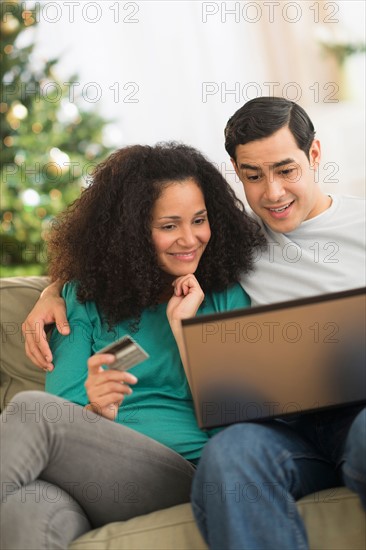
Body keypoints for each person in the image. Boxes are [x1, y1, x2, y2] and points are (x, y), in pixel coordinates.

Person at [20, 98, 366, 548]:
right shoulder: (236, 241)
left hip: (357, 412)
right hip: (282, 431)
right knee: (231, 454)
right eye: (253, 176)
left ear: (314, 155)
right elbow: (125, 245)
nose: (273, 194)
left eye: (287, 171)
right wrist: (51, 292)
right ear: (236, 173)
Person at [0, 142, 265, 550]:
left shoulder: (225, 295)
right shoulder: (81, 300)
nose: (190, 239)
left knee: (28, 409)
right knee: (24, 510)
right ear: (132, 233)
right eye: (169, 226)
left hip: (183, 473)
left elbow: (238, 427)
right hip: (87, 481)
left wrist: (187, 329)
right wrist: (96, 412)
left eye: (199, 220)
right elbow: (66, 415)